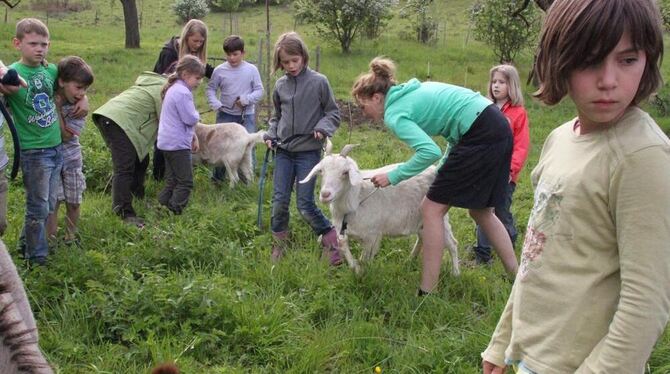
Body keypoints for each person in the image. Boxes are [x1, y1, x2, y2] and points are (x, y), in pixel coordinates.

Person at [482, 0, 670, 373]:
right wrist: (503, 342)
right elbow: (537, 254)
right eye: (589, 60)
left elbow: (646, 300)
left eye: (628, 59)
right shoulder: (560, 139)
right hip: (534, 355)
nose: (609, 80)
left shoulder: (642, 156)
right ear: (560, 61)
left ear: (648, 59)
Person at [352, 57, 519, 294]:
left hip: (480, 132)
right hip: (496, 125)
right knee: (482, 212)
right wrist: (444, 167)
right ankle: (518, 277)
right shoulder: (409, 93)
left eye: (363, 105)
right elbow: (452, 126)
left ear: (377, 98)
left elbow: (429, 151)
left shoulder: (394, 114)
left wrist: (393, 176)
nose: (364, 112)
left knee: (431, 209)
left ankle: (427, 291)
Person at [263, 32, 341, 265]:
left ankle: (332, 241)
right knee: (279, 201)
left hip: (308, 152)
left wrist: (322, 127)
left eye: (294, 60)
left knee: (305, 203)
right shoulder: (280, 85)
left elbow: (333, 113)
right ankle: (279, 244)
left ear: (303, 57)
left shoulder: (319, 82)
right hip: (284, 151)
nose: (291, 66)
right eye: (285, 62)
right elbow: (277, 117)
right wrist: (270, 134)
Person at [1, 18, 62, 266]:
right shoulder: (11, 76)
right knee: (38, 205)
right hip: (33, 150)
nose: (40, 49)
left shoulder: (50, 70)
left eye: (44, 44)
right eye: (33, 43)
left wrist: (82, 99)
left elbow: (67, 90)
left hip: (55, 145)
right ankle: (36, 257)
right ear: (18, 43)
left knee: (49, 203)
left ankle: (27, 244)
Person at [92, 71, 167, 228]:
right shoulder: (163, 90)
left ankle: (136, 196)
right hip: (118, 122)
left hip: (111, 117)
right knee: (124, 167)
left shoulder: (151, 83)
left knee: (141, 159)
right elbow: (166, 119)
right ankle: (123, 212)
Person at [473, 64, 529, 265]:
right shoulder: (485, 107)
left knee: (501, 211)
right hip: (484, 172)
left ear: (511, 85)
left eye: (502, 82)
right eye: (494, 82)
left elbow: (521, 146)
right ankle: (482, 253)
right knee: (481, 209)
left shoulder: (518, 113)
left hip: (505, 175)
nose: (496, 86)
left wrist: (510, 170)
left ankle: (509, 242)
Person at [152, 19, 213, 181]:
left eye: (202, 42)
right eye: (195, 41)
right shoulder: (170, 53)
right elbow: (161, 78)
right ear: (186, 37)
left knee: (178, 134)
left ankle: (172, 175)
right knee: (164, 134)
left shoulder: (193, 55)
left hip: (181, 98)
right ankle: (158, 175)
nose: (198, 45)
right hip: (164, 97)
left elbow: (205, 70)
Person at [45, 56, 94, 246]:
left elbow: (66, 136)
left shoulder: (78, 108)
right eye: (79, 87)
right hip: (50, 158)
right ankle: (50, 239)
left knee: (74, 200)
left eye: (85, 90)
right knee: (54, 201)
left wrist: (57, 109)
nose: (82, 94)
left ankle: (71, 236)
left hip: (72, 159)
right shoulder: (48, 93)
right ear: (62, 81)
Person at [206, 35, 264, 183]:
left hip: (246, 115)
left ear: (243, 53)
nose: (232, 58)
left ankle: (247, 180)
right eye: (228, 55)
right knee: (220, 147)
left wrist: (246, 100)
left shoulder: (251, 70)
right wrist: (215, 103)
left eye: (235, 54)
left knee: (247, 145)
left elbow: (259, 91)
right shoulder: (219, 70)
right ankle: (217, 179)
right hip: (225, 115)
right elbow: (211, 89)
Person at [157, 55, 203, 214]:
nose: (199, 82)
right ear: (185, 74)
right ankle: (173, 210)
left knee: (171, 180)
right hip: (177, 145)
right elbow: (189, 118)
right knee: (185, 182)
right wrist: (197, 115)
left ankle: (162, 206)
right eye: (197, 78)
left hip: (166, 142)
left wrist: (193, 136)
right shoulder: (183, 92)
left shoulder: (173, 88)